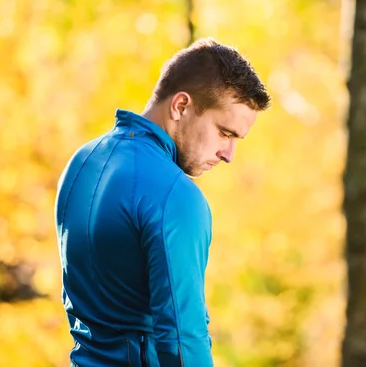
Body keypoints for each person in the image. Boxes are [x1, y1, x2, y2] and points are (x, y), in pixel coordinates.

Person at [54, 38, 271, 367]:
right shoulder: (176, 197)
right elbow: (183, 344)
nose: (228, 155)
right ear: (181, 106)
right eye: (225, 133)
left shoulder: (82, 162)